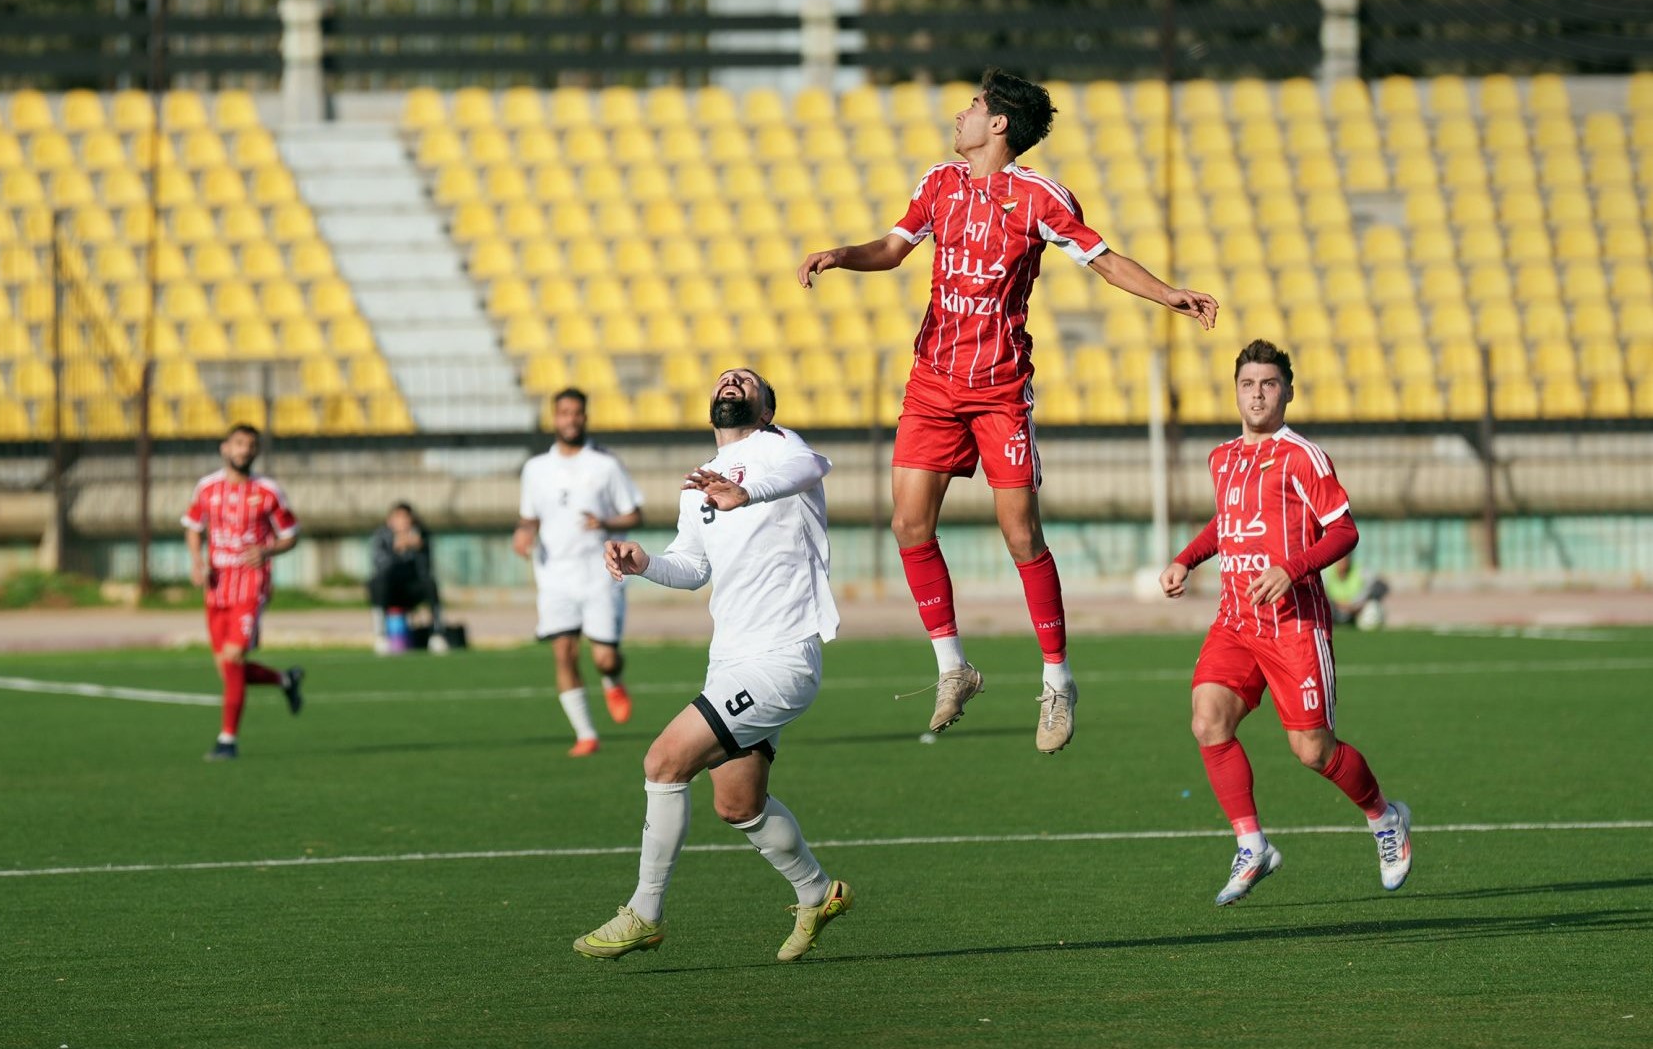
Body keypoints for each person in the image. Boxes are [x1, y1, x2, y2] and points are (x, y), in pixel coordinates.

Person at [797, 68, 1220, 752]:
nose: (958, 112)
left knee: (1020, 533)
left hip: (997, 387)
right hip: (933, 380)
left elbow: (1102, 259)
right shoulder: (937, 184)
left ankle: (1056, 681)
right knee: (908, 524)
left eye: (971, 105)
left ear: (998, 124)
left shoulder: (1039, 198)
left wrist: (1167, 293)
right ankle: (952, 667)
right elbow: (894, 248)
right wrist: (844, 255)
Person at [572, 367, 853, 964]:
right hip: (729, 661)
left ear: (766, 409)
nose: (732, 381)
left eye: (746, 381)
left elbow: (813, 469)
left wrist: (744, 492)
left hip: (781, 657)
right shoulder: (696, 485)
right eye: (725, 379)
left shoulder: (779, 449)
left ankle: (644, 913)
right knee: (738, 804)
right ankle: (816, 890)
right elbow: (692, 567)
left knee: (663, 761)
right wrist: (643, 561)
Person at [1160, 340, 1412, 904]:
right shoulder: (1221, 457)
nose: (1257, 394)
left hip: (1294, 624)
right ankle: (1252, 844)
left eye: (1268, 384)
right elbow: (1226, 523)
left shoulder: (1303, 456)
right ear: (1236, 391)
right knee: (1207, 720)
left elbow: (1344, 530)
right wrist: (1186, 558)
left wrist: (1291, 570)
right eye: (1248, 384)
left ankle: (1384, 818)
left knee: (1312, 752)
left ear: (1287, 392)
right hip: (1235, 620)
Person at [513, 388, 645, 756]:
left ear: (585, 417)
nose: (570, 419)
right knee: (564, 652)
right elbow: (529, 517)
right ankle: (586, 733)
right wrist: (523, 533)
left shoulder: (605, 464)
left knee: (604, 656)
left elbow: (635, 513)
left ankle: (612, 678)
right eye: (564, 413)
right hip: (554, 575)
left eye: (577, 413)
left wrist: (605, 521)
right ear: (554, 418)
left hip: (601, 572)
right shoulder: (535, 469)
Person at [181, 423, 305, 761]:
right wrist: (195, 561)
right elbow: (193, 527)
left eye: (250, 445)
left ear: (256, 451)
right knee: (227, 668)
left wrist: (267, 551)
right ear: (225, 448)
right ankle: (285, 680)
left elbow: (291, 534)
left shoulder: (269, 491)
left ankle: (227, 740)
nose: (243, 450)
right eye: (238, 444)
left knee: (234, 657)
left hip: (251, 584)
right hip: (216, 583)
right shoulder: (206, 488)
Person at [369, 502, 448, 654]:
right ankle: (381, 635)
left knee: (430, 584)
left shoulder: (421, 535)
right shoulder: (382, 537)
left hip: (413, 587)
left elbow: (426, 568)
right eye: (397, 518)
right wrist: (396, 550)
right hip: (391, 588)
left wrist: (418, 548)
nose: (402, 522)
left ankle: (437, 634)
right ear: (389, 520)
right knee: (377, 583)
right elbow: (379, 566)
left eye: (405, 518)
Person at [1328, 553, 1389, 629]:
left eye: (1345, 559)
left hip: (1357, 609)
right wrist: (1338, 604)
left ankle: (1369, 631)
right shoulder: (1327, 573)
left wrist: (1357, 604)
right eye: (1339, 560)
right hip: (1335, 609)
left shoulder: (1360, 570)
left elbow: (1379, 587)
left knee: (1372, 607)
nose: (1342, 562)